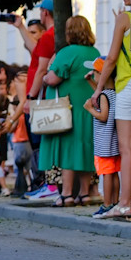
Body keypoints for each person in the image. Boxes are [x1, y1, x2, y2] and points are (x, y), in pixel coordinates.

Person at [40, 15, 98, 206]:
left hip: (68, 109)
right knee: (85, 149)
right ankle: (85, 193)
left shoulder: (67, 52)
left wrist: (45, 75)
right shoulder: (94, 52)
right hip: (89, 109)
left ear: (69, 32)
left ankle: (66, 194)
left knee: (68, 151)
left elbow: (52, 79)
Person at [95, 0, 131, 217]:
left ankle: (124, 204)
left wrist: (99, 89)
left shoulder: (125, 19)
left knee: (127, 148)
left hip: (128, 87)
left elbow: (111, 59)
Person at [21, 0, 59, 200]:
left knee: (41, 142)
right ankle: (48, 184)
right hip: (46, 96)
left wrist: (30, 97)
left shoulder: (48, 36)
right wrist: (20, 27)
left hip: (40, 97)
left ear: (45, 13)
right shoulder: (54, 36)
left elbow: (41, 69)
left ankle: (47, 184)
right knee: (44, 141)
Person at [83, 56, 119, 218]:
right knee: (114, 173)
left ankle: (106, 204)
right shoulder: (113, 92)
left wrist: (90, 109)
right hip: (114, 141)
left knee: (106, 174)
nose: (93, 74)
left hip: (104, 142)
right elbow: (99, 94)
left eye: (95, 73)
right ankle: (116, 202)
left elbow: (103, 116)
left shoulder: (104, 95)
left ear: (102, 74)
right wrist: (90, 81)